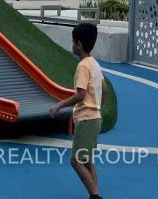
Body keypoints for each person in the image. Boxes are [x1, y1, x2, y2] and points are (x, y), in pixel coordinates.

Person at [50, 22, 106, 199]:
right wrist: (98, 106)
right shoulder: (94, 63)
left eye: (73, 42)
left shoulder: (83, 66)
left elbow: (80, 95)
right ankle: (95, 193)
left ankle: (95, 195)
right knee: (87, 161)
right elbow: (104, 89)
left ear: (79, 45)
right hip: (95, 117)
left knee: (75, 161)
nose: (72, 45)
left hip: (86, 119)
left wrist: (59, 105)